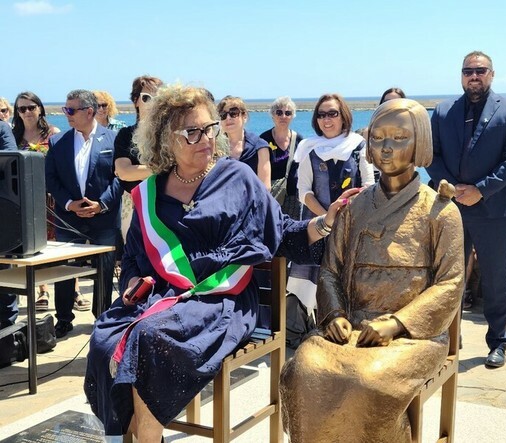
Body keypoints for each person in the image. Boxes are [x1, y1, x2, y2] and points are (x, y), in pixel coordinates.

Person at [83, 84, 354, 441]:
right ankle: (134, 432)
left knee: (148, 339)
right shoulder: (150, 191)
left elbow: (282, 233)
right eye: (191, 132)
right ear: (166, 139)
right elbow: (133, 256)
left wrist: (326, 222)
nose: (205, 139)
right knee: (104, 339)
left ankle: (144, 436)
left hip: (219, 301)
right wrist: (132, 282)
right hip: (160, 298)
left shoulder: (236, 178)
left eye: (209, 128)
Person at [281, 98, 464, 443]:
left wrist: (396, 324)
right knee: (306, 369)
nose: (386, 148)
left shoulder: (440, 211)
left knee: (369, 380)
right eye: (378, 138)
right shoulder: (354, 207)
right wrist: (334, 313)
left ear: (420, 143)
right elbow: (331, 270)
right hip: (352, 324)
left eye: (399, 138)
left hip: (412, 336)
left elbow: (450, 283)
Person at [426, 50, 506, 368]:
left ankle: (498, 341)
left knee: (497, 277)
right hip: (451, 206)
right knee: (448, 276)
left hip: (493, 209)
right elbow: (432, 155)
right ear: (461, 75)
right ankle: (449, 338)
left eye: (480, 70)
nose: (474, 75)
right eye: (468, 70)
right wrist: (454, 189)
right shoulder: (443, 112)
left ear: (492, 74)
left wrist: (480, 190)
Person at [287, 93, 374, 314]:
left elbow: (369, 185)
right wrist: (328, 217)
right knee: (315, 283)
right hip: (317, 226)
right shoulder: (308, 149)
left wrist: (344, 215)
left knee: (347, 280)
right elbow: (303, 192)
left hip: (352, 226)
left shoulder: (358, 146)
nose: (327, 119)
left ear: (343, 116)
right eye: (321, 115)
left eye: (332, 113)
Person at [45, 89, 121, 338]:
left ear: (90, 111)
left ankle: (101, 318)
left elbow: (120, 178)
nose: (65, 114)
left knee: (105, 270)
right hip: (69, 219)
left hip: (104, 218)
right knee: (65, 270)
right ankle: (64, 318)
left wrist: (102, 204)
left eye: (71, 110)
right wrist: (68, 203)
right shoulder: (58, 142)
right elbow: (51, 178)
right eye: (65, 109)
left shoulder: (113, 140)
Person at [12, 91, 63, 311]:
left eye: (31, 107)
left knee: (58, 243)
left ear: (40, 108)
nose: (27, 112)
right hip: (24, 198)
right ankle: (43, 291)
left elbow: (62, 167)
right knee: (34, 244)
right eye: (22, 109)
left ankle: (74, 290)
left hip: (50, 197)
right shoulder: (13, 137)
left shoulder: (53, 134)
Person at [114, 75, 162, 247]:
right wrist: (163, 168)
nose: (153, 103)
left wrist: (138, 170)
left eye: (158, 98)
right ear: (136, 101)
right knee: (135, 256)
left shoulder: (170, 135)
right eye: (146, 98)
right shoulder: (125, 135)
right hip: (134, 206)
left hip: (165, 204)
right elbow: (124, 172)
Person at [259, 96, 303, 219]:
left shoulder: (298, 139)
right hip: (272, 194)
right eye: (279, 112)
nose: (283, 116)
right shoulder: (264, 139)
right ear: (273, 115)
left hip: (293, 197)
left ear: (292, 116)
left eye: (288, 113)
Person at [217, 95, 271, 189]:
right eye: (223, 115)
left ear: (244, 116)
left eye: (233, 113)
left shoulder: (260, 147)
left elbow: (265, 188)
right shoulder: (214, 147)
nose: (228, 118)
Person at [0, 121, 17, 329]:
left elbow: (11, 159)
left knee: (4, 273)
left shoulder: (2, 129)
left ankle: (7, 329)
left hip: (3, 210)